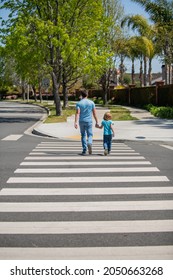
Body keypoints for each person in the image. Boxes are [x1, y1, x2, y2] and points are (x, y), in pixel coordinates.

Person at [74, 89, 99, 155]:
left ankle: (84, 149)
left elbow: (77, 113)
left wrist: (75, 122)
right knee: (90, 134)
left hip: (81, 121)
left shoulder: (79, 103)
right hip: (89, 121)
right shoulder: (91, 103)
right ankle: (89, 143)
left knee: (83, 135)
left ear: (81, 95)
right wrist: (97, 122)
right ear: (87, 95)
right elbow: (94, 113)